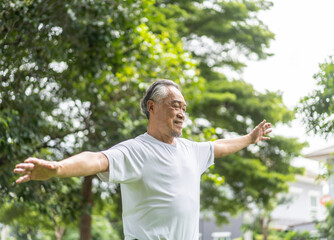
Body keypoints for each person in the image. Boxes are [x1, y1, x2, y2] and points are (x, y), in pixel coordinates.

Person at [14, 79, 272, 240]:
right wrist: (58, 169)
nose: (182, 113)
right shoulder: (136, 151)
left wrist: (249, 139)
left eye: (184, 107)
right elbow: (96, 159)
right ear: (152, 107)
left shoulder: (190, 150)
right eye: (175, 105)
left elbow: (219, 146)